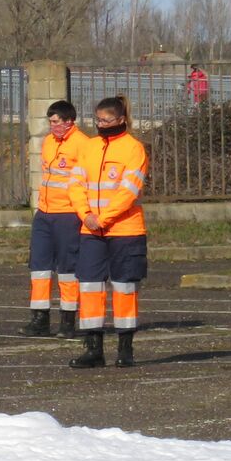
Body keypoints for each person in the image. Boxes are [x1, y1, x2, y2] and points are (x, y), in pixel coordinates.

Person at [67, 96, 149, 369]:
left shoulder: (134, 149)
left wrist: (103, 218)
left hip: (125, 230)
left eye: (106, 120)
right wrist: (86, 215)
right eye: (98, 120)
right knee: (90, 286)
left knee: (125, 287)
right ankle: (93, 349)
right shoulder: (89, 147)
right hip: (91, 229)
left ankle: (125, 349)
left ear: (121, 119)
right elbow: (75, 184)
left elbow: (129, 191)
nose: (101, 124)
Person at [22, 100, 89, 339]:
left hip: (68, 214)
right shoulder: (49, 142)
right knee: (39, 267)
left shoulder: (82, 144)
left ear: (69, 121)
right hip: (45, 213)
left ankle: (68, 320)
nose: (52, 126)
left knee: (67, 269)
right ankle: (39, 319)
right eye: (50, 122)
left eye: (56, 121)